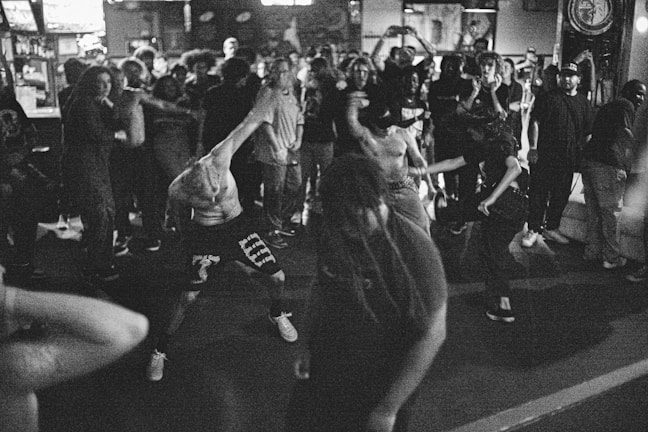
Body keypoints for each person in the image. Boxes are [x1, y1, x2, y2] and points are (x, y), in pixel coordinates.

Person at [145, 83, 300, 382]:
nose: (216, 196)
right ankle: (159, 350)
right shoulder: (178, 190)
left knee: (277, 277)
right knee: (188, 299)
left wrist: (268, 92)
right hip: (207, 236)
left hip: (239, 228)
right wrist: (189, 246)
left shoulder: (220, 156)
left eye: (217, 189)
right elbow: (179, 221)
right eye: (208, 197)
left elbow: (251, 120)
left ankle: (277, 313)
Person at [286, 154, 447, 432]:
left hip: (383, 378)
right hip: (332, 361)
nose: (346, 228)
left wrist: (388, 409)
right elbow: (322, 284)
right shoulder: (336, 228)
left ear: (377, 202)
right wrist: (305, 342)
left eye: (354, 217)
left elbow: (433, 334)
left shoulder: (414, 250)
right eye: (339, 218)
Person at [0, 281, 149, 432]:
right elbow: (130, 328)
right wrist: (9, 299)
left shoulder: (10, 372)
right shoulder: (9, 369)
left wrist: (10, 299)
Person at [424, 117, 526, 322]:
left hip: (507, 206)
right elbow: (454, 162)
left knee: (494, 252)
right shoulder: (483, 147)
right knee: (490, 250)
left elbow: (515, 168)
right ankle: (497, 299)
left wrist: (491, 197)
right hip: (500, 207)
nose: (469, 134)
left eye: (471, 131)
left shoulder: (499, 146)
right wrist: (419, 170)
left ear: (482, 130)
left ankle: (505, 306)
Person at [522, 62, 594, 248]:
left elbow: (587, 133)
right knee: (538, 193)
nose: (566, 79)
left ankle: (551, 228)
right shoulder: (547, 97)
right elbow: (535, 122)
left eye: (571, 75)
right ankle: (533, 229)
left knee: (560, 195)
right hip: (544, 156)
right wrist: (533, 148)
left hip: (568, 159)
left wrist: (584, 155)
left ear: (579, 79)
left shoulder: (583, 102)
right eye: (563, 75)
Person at [62, 66, 123, 284]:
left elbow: (114, 120)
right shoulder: (84, 103)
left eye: (109, 82)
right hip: (86, 164)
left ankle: (95, 262)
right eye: (101, 82)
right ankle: (98, 266)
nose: (106, 86)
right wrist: (119, 136)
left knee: (99, 212)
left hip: (91, 163)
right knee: (102, 211)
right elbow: (96, 134)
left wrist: (108, 104)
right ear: (90, 82)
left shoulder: (89, 101)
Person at [581, 79, 647, 269]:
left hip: (589, 160)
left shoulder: (608, 106)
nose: (641, 99)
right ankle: (611, 258)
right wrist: (639, 152)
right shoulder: (626, 105)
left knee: (594, 213)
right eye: (638, 93)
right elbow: (624, 132)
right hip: (608, 164)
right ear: (628, 92)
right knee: (611, 214)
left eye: (643, 95)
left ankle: (592, 252)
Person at [346, 92, 430, 235]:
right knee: (371, 231)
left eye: (388, 124)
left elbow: (418, 160)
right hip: (378, 189)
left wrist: (428, 185)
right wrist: (355, 104)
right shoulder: (367, 136)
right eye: (381, 126)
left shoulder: (403, 134)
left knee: (422, 225)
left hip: (403, 185)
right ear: (373, 123)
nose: (385, 129)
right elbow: (351, 121)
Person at [254, 58, 304, 249]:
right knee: (274, 189)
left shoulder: (291, 92)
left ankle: (282, 220)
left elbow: (299, 119)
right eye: (279, 71)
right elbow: (264, 122)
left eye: (286, 71)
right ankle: (271, 229)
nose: (283, 75)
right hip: (274, 151)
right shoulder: (267, 92)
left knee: (294, 186)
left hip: (291, 150)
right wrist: (275, 146)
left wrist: (298, 140)